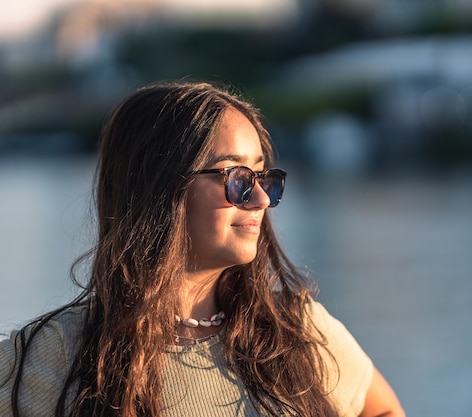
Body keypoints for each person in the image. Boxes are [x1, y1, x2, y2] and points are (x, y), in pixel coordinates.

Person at [0, 81, 404, 417]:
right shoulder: (49, 358)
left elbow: (383, 410)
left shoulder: (298, 330)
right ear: (157, 187)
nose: (261, 199)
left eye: (264, 176)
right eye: (237, 177)